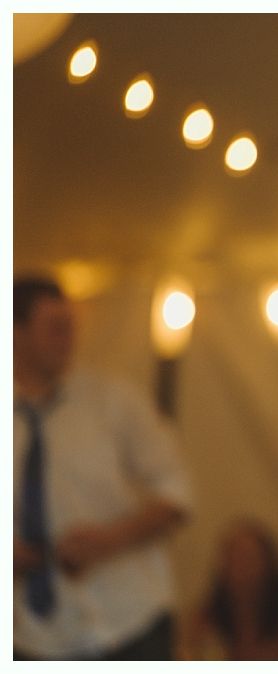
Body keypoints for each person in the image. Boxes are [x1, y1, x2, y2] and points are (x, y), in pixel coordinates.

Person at [13, 276, 193, 659]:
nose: (68, 339)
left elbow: (176, 491)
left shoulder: (112, 400)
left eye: (70, 327)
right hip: (37, 636)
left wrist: (111, 540)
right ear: (16, 333)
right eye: (55, 328)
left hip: (131, 618)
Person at [183, 518, 278, 660]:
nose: (241, 567)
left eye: (249, 557)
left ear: (268, 563)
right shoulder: (205, 619)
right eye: (233, 558)